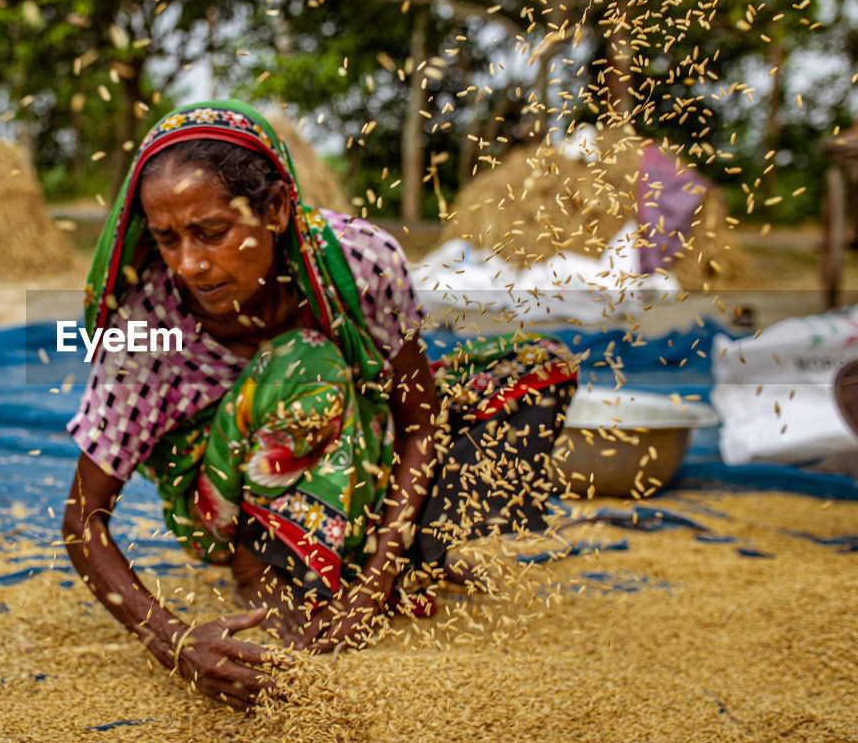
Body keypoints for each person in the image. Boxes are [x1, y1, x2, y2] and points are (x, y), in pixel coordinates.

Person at [63, 101, 577, 709]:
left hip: (350, 442)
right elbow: (83, 519)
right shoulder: (147, 318)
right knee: (307, 363)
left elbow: (419, 420)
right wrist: (176, 643)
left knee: (535, 370)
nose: (190, 264)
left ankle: (386, 559)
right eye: (167, 239)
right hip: (223, 487)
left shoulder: (357, 263)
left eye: (212, 232)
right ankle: (262, 566)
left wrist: (375, 580)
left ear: (277, 209)